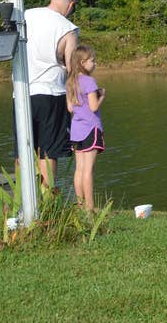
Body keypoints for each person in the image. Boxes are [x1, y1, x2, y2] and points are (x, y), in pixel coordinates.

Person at [17, 0, 79, 187]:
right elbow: (72, 69)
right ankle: (47, 202)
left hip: (21, 93)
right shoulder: (68, 28)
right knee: (48, 151)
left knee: (22, 150)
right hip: (52, 93)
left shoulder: (24, 16)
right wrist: (74, 103)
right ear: (70, 5)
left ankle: (22, 199)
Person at [65, 44, 104, 210]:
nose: (94, 64)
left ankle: (80, 204)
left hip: (76, 131)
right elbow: (94, 107)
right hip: (90, 129)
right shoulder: (89, 81)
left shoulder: (70, 82)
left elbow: (69, 108)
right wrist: (102, 96)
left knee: (79, 170)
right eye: (92, 61)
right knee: (88, 170)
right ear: (82, 62)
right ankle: (90, 207)